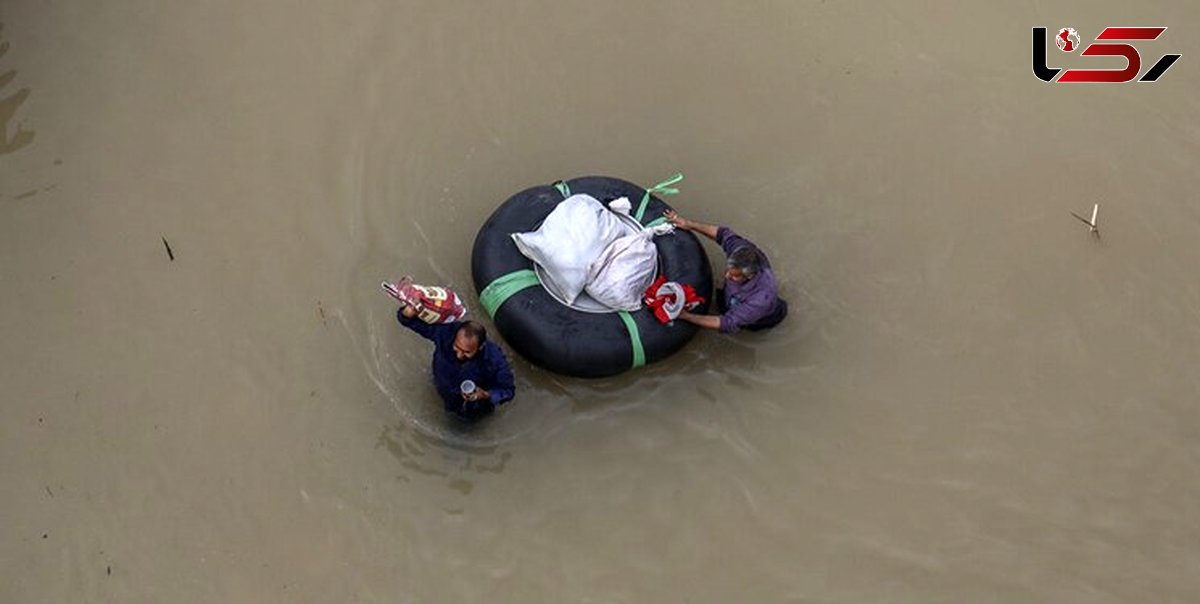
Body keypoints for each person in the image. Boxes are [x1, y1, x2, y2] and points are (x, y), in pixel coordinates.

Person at [664, 210, 788, 333]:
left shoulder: (760, 300)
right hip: (731, 297)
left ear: (749, 276)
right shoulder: (741, 250)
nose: (727, 276)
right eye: (729, 270)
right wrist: (689, 224)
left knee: (745, 326)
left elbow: (727, 323)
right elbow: (722, 234)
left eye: (734, 276)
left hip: (759, 317)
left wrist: (686, 316)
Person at [396, 304, 515, 421]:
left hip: (473, 405)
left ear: (480, 347)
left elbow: (508, 391)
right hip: (443, 385)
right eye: (457, 347)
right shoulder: (445, 333)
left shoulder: (495, 360)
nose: (459, 355)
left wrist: (485, 394)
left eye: (467, 352)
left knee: (467, 423)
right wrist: (406, 313)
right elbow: (411, 322)